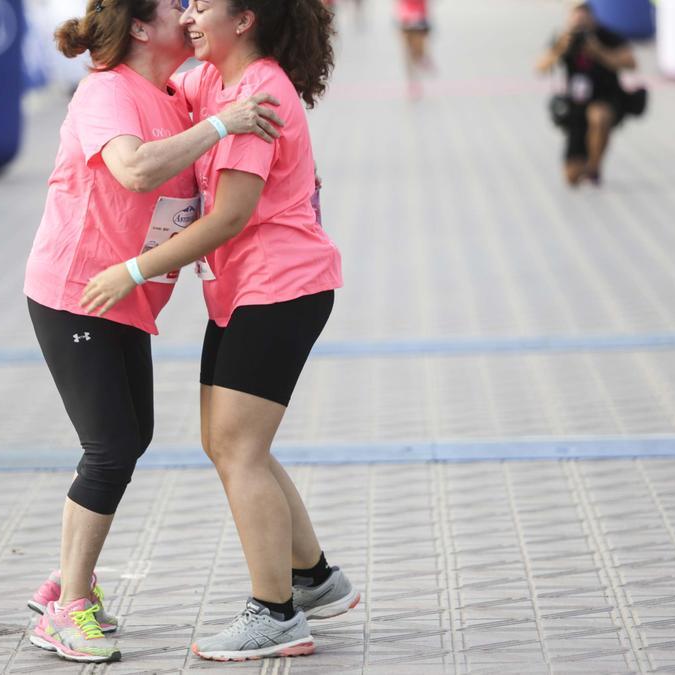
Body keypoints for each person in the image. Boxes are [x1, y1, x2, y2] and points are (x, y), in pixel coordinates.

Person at [80, 0, 359, 662]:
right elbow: (149, 94)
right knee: (229, 442)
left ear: (247, 19)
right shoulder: (214, 83)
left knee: (240, 448)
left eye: (203, 4)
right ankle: (315, 576)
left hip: (282, 286)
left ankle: (276, 612)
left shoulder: (260, 90)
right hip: (241, 291)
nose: (190, 13)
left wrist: (133, 270)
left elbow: (231, 215)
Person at [21, 0, 284, 664]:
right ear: (140, 26)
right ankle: (67, 606)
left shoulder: (171, 94)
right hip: (78, 293)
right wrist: (223, 123)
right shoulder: (106, 91)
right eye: (175, 5)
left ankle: (64, 577)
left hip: (124, 299)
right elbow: (134, 169)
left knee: (129, 440)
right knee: (109, 448)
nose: (190, 14)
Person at [536, 1, 636, 187]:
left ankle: (594, 167)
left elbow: (631, 63)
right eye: (576, 16)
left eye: (584, 15)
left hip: (606, 97)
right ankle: (584, 162)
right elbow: (540, 67)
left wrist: (598, 51)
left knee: (599, 117)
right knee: (572, 177)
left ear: (592, 16)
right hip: (576, 104)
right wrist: (559, 49)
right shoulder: (565, 38)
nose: (580, 21)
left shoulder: (606, 36)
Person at [396, 0, 432, 98]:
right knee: (408, 53)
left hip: (420, 19)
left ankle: (423, 58)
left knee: (418, 52)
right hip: (405, 19)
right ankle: (413, 82)